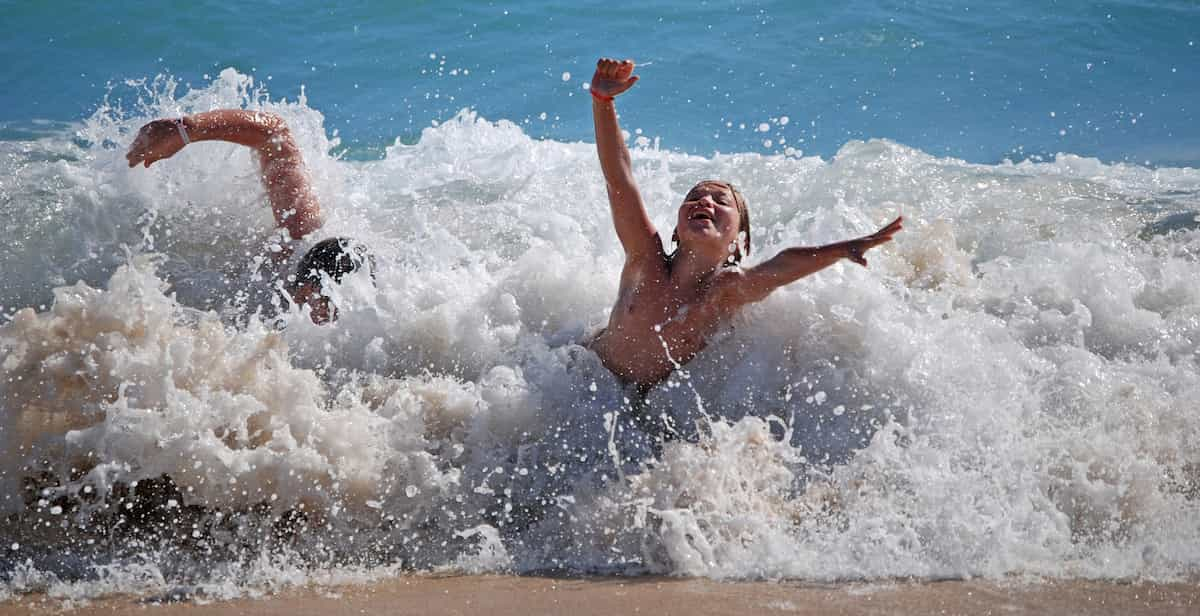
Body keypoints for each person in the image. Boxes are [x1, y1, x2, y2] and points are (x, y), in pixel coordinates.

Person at [586, 57, 903, 395]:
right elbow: (620, 179)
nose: (705, 202)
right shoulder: (645, 258)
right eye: (696, 197)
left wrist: (840, 250)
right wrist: (602, 101)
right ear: (676, 231)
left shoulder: (723, 292)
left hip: (641, 403)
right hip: (584, 378)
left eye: (721, 202)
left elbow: (781, 267)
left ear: (738, 243)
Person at [125, 110, 373, 324]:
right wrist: (186, 130)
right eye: (330, 312)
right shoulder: (299, 235)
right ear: (308, 291)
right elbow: (274, 133)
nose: (332, 323)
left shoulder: (382, 313)